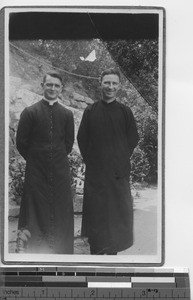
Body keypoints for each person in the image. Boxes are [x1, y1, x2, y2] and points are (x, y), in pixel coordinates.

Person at [77, 68, 139, 255]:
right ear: (100, 83)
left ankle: (112, 253)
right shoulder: (90, 111)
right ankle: (95, 251)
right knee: (97, 215)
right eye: (107, 82)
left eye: (114, 83)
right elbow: (82, 139)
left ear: (119, 86)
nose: (110, 87)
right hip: (96, 175)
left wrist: (118, 160)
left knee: (116, 216)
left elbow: (132, 139)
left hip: (117, 175)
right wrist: (94, 163)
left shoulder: (125, 112)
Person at [16, 71, 74, 254]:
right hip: (36, 171)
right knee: (35, 209)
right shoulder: (30, 112)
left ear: (61, 89)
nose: (53, 88)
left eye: (57, 86)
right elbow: (21, 143)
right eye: (49, 84)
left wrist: (54, 159)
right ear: (42, 86)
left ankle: (60, 249)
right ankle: (36, 248)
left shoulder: (67, 114)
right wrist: (36, 159)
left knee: (61, 209)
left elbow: (68, 144)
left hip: (60, 171)